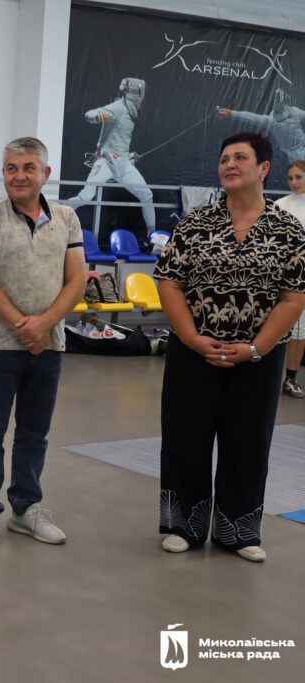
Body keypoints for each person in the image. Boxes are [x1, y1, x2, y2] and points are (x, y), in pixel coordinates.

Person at [155, 132, 305, 562]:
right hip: (194, 352)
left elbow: (293, 296)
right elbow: (169, 282)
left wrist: (257, 348)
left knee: (248, 442)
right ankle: (183, 525)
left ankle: (237, 531)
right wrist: (190, 337)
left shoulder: (288, 230)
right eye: (224, 159)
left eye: (240, 158)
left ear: (263, 169)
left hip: (258, 358)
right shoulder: (195, 223)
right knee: (185, 438)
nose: (229, 165)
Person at [0, 136, 85, 549]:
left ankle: (26, 508)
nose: (19, 176)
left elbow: (76, 280)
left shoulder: (67, 218)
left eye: (28, 168)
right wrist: (24, 326)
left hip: (49, 347)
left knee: (35, 433)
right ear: (3, 173)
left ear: (45, 174)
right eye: (11, 168)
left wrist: (45, 325)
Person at [64, 77, 156, 231]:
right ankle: (56, 215)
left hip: (123, 164)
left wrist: (127, 156)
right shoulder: (118, 108)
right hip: (106, 162)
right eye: (141, 92)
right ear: (134, 93)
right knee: (85, 197)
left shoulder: (130, 111)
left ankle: (152, 237)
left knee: (147, 196)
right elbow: (89, 114)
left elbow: (120, 139)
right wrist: (97, 116)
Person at [274, 159, 305, 398]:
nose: (293, 182)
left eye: (299, 177)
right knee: (273, 324)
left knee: (299, 329)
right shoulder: (279, 206)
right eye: (290, 178)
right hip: (279, 276)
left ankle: (291, 379)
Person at [218, 90, 305, 173]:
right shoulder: (271, 121)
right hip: (289, 154)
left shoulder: (295, 113)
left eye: (278, 100)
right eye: (275, 100)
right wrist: (231, 113)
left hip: (302, 149)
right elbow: (250, 117)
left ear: (283, 102)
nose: (276, 103)